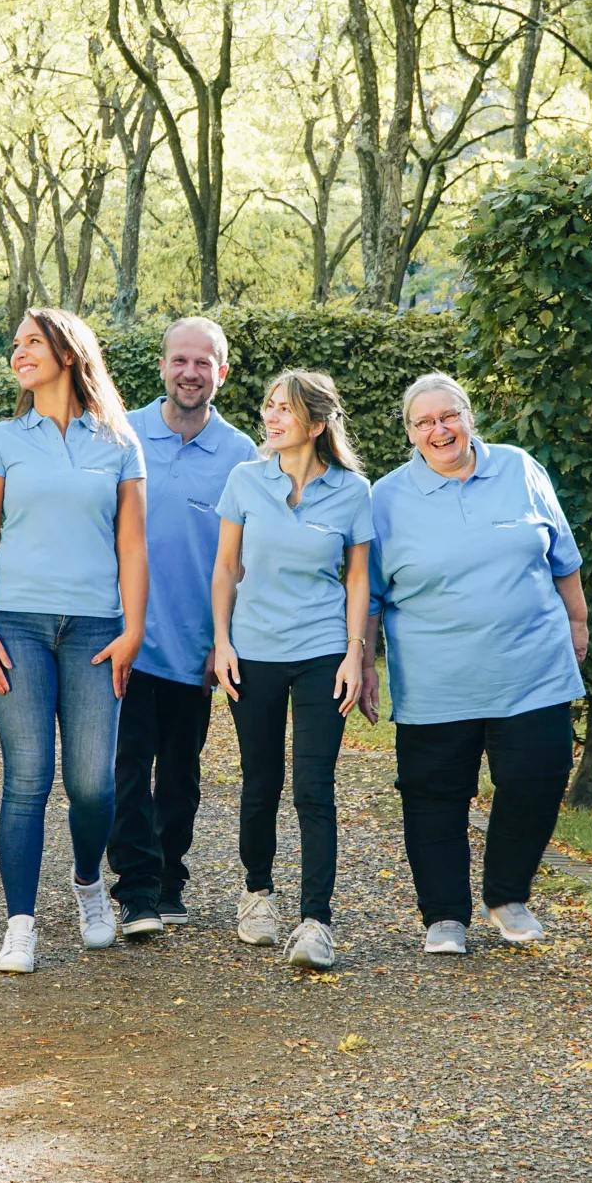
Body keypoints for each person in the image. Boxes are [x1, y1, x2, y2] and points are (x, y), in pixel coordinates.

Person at [362, 371, 588, 956]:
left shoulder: (519, 468)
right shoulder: (385, 499)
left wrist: (578, 623)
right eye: (424, 422)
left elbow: (563, 556)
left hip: (532, 669)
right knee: (433, 794)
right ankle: (443, 916)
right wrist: (362, 663)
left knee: (539, 777)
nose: (439, 430)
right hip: (436, 680)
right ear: (410, 433)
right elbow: (369, 594)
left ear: (469, 418)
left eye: (449, 416)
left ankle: (507, 897)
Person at [0, 308, 147, 976]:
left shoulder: (119, 442)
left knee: (92, 784)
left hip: (96, 628)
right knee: (28, 777)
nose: (18, 353)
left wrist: (134, 629)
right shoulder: (0, 440)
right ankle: (20, 925)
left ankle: (88, 883)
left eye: (32, 342)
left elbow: (133, 544)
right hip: (16, 623)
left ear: (68, 354)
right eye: (16, 345)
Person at [212, 370, 372, 971]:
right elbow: (226, 567)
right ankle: (257, 894)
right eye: (270, 406)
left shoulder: (354, 492)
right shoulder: (244, 480)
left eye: (286, 408)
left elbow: (358, 578)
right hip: (252, 650)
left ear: (318, 423)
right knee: (260, 781)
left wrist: (355, 652)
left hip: (323, 652)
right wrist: (221, 642)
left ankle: (315, 923)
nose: (272, 417)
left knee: (313, 787)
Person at [107, 318, 258, 937]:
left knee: (178, 776)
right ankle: (137, 888)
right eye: (180, 360)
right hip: (122, 639)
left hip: (195, 647)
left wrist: (224, 642)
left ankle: (170, 876)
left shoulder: (242, 455)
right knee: (124, 769)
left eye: (203, 363)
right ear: (163, 364)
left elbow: (245, 561)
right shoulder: (121, 434)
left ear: (221, 372)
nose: (190, 373)